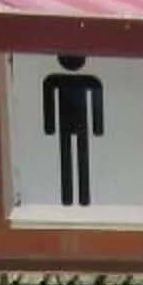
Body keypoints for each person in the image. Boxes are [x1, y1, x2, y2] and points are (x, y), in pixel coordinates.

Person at [43, 55, 105, 207]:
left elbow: (97, 102)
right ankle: (71, 197)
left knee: (78, 159)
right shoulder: (56, 80)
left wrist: (50, 126)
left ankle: (81, 197)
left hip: (76, 125)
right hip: (74, 125)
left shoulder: (56, 79)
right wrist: (98, 128)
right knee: (70, 159)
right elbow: (49, 99)